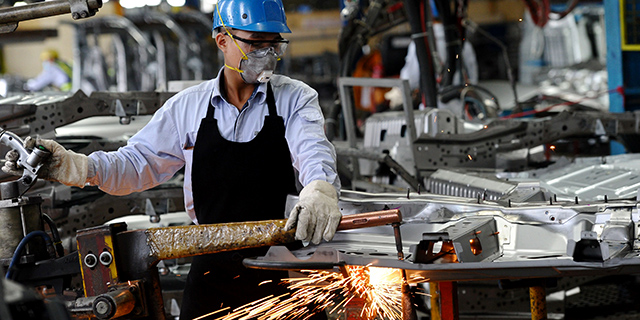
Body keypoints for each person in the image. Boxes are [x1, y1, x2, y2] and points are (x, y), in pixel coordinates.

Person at [3, 0, 341, 318]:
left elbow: (312, 149)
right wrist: (77, 167)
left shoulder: (294, 98)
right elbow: (135, 165)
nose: (266, 55)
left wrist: (319, 187)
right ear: (222, 40)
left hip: (282, 271)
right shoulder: (187, 108)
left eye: (274, 45)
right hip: (211, 274)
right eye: (255, 44)